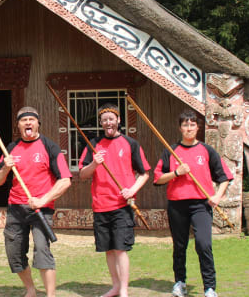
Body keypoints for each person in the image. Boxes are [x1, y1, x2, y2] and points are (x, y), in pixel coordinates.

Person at [0, 106, 72, 297]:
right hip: (15, 209)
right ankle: (30, 290)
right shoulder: (11, 149)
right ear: (18, 126)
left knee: (42, 251)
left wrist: (43, 200)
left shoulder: (49, 146)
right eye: (23, 120)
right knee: (14, 254)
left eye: (31, 119)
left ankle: (50, 295)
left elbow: (65, 180)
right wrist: (5, 168)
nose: (28, 122)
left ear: (38, 123)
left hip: (41, 210)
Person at [153, 110, 233, 297]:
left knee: (204, 244)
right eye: (185, 125)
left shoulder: (206, 150)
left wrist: (217, 196)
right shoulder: (171, 151)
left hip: (201, 205)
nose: (188, 128)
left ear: (197, 127)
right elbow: (158, 179)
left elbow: (225, 177)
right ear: (180, 128)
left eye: (192, 125)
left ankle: (210, 287)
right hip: (177, 205)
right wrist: (177, 173)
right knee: (179, 246)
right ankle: (180, 282)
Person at [78, 103, 151, 297]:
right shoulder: (93, 143)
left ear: (118, 120)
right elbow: (83, 174)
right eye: (104, 120)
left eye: (111, 119)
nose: (108, 123)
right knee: (108, 249)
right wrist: (95, 162)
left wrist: (132, 189)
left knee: (120, 249)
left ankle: (124, 290)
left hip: (122, 205)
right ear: (101, 123)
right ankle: (116, 286)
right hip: (101, 204)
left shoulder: (130, 143)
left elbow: (144, 174)